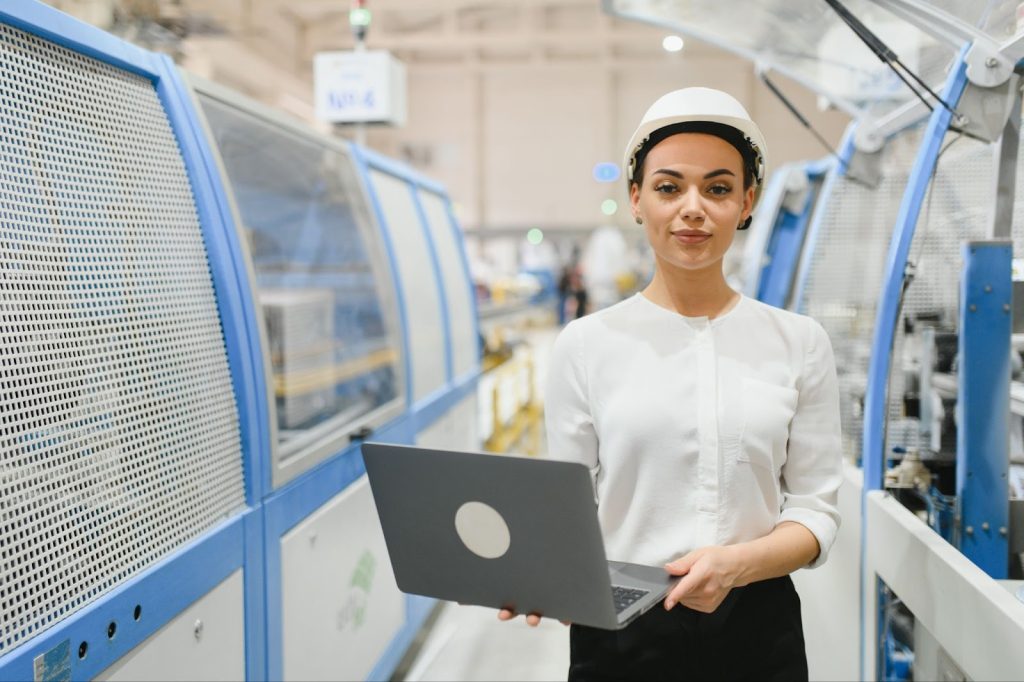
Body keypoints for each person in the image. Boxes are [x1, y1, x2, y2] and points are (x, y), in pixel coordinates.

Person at [498, 87, 842, 681]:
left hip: (756, 626)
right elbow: (568, 506)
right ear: (636, 199)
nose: (692, 208)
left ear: (747, 201)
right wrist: (540, 573)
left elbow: (815, 513)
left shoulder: (799, 341)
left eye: (717, 188)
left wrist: (737, 564)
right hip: (621, 628)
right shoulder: (586, 344)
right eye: (667, 187)